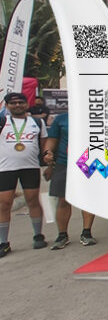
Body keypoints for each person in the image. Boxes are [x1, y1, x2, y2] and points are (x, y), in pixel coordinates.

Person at [0, 91, 48, 255]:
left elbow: (43, 144)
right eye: (13, 103)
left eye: (20, 102)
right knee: (4, 204)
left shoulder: (37, 122)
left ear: (27, 104)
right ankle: (3, 242)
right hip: (5, 168)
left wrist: (47, 158)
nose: (17, 105)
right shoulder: (2, 121)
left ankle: (38, 235)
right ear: (7, 106)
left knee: (33, 201)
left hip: (30, 167)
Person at [43, 112, 97, 249]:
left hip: (87, 162)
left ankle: (86, 232)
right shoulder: (61, 119)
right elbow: (52, 139)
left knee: (88, 198)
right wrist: (48, 153)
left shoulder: (95, 116)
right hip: (64, 162)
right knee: (63, 200)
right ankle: (62, 235)